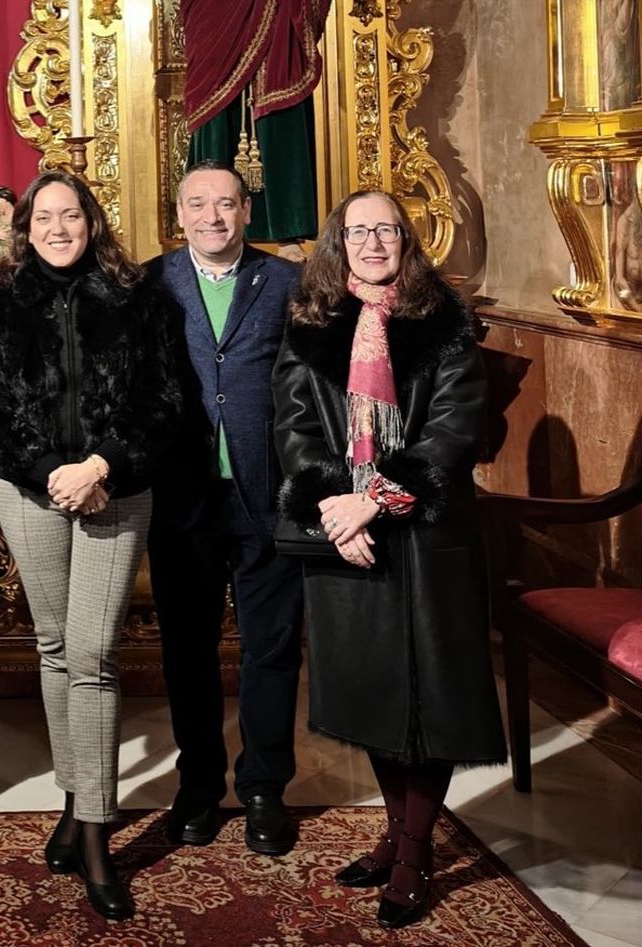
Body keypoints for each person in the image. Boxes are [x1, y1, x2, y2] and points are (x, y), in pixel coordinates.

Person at [273, 189, 506, 929]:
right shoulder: (312, 324)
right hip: (348, 533)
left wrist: (376, 498)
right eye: (358, 230)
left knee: (429, 697)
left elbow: (450, 431)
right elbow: (296, 426)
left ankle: (411, 850)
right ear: (337, 243)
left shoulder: (445, 325)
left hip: (425, 535)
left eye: (387, 229)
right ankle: (401, 833)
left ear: (408, 240)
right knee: (373, 693)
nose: (374, 241)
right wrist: (334, 508)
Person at [0, 171, 185, 920]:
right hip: (29, 490)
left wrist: (99, 465)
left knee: (93, 654)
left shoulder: (139, 296)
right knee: (55, 645)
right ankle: (72, 800)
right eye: (44, 218)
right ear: (24, 228)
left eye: (72, 216)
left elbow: (166, 402)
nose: (59, 228)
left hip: (117, 490)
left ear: (93, 222)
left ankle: (95, 833)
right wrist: (49, 472)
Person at [145, 160, 305, 856]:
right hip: (182, 499)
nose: (213, 217)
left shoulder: (288, 283)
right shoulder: (151, 283)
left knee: (271, 649)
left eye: (227, 204)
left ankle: (266, 786)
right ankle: (199, 785)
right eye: (198, 204)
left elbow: (313, 388)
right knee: (188, 652)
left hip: (265, 495)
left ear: (246, 211)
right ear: (178, 214)